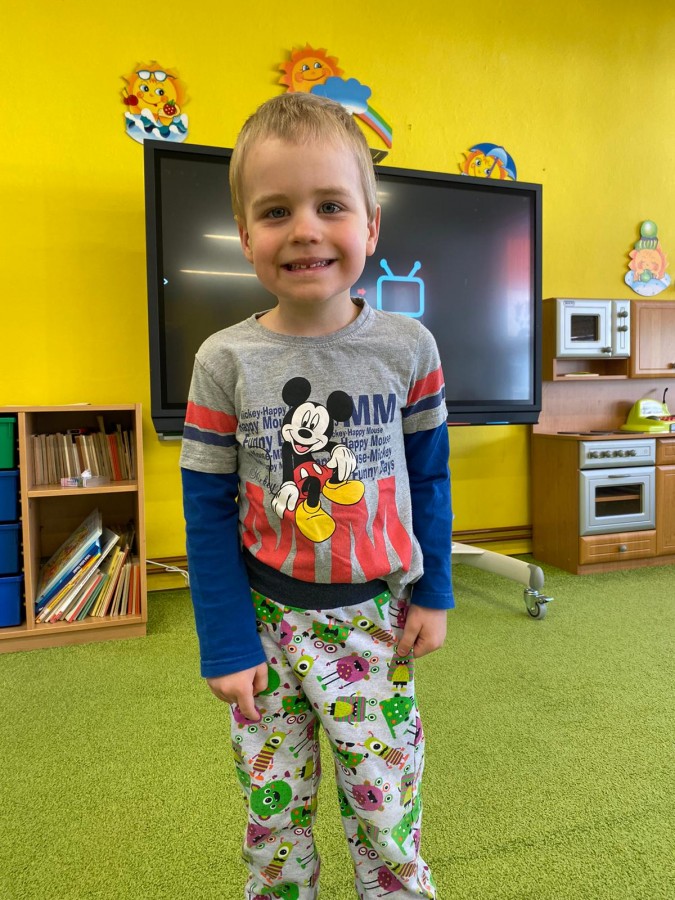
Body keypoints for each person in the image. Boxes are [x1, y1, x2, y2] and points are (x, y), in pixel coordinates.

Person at [180, 91, 454, 900]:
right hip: (265, 625)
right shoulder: (223, 361)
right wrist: (224, 641)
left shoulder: (408, 348)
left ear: (371, 226)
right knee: (274, 821)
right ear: (245, 236)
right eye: (276, 211)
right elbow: (206, 511)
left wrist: (433, 591)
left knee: (386, 810)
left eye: (330, 205)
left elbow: (429, 480)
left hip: (376, 621)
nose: (304, 229)